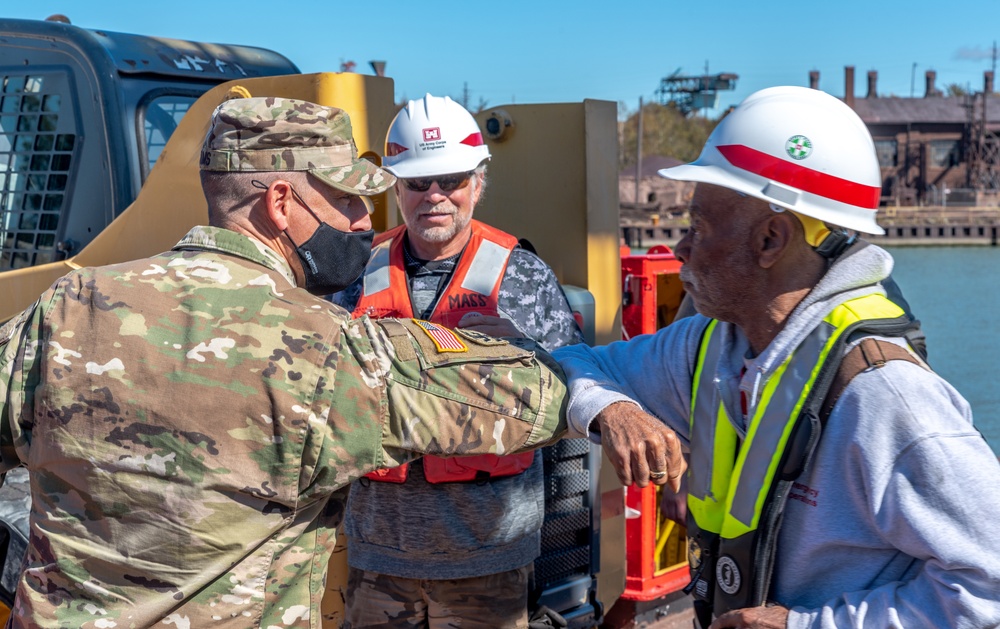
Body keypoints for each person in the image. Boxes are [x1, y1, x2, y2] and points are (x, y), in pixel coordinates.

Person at [0, 97, 575, 627]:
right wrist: (517, 356)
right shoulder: (320, 344)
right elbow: (537, 397)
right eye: (347, 199)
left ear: (476, 183)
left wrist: (20, 572)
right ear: (279, 203)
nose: (360, 220)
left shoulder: (67, 308)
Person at [554, 86, 1000, 629]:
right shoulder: (707, 347)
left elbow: (988, 589)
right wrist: (612, 411)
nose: (680, 249)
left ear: (771, 239)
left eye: (698, 226)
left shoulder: (886, 396)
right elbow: (576, 362)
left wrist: (803, 626)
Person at [332, 94, 585, 629]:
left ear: (478, 182)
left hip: (489, 557)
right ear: (396, 188)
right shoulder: (357, 274)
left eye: (451, 180)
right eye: (418, 183)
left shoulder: (522, 277)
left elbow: (578, 393)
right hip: (379, 553)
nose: (435, 197)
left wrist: (522, 353)